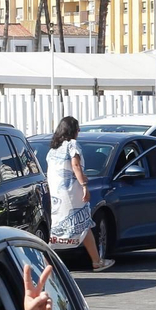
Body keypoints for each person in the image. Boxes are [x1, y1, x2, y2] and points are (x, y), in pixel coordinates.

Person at [45, 116, 113, 272]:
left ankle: (47, 263)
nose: (79, 131)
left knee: (61, 227)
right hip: (71, 192)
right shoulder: (72, 145)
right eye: (77, 128)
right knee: (82, 221)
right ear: (72, 130)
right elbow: (75, 165)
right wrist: (84, 186)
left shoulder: (53, 150)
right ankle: (96, 261)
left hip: (57, 194)